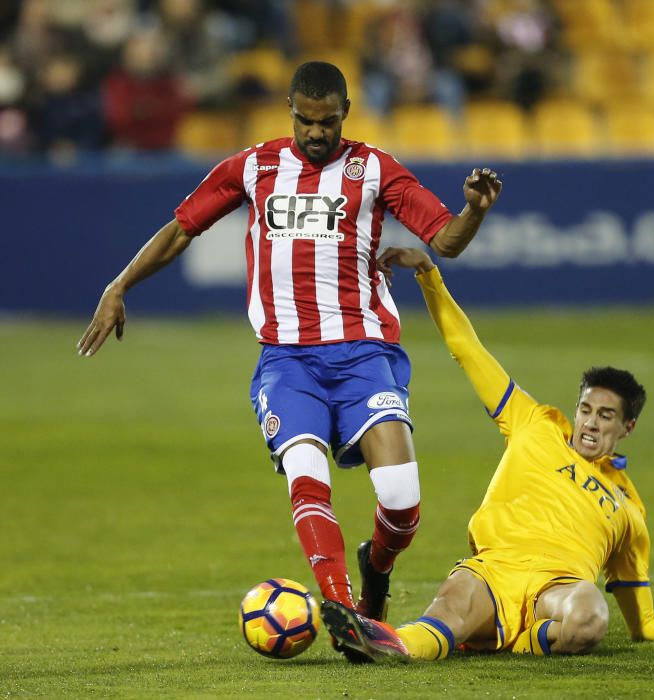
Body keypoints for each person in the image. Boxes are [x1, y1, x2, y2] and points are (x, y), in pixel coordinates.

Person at [76, 62, 502, 633]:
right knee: (306, 472)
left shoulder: (373, 168)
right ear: (290, 110)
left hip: (364, 353)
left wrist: (474, 209)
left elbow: (445, 240)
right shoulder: (253, 166)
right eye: (305, 121)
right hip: (287, 359)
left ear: (345, 114)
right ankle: (348, 614)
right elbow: (181, 228)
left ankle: (375, 569)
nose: (316, 133)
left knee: (401, 502)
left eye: (327, 122)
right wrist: (119, 284)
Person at [321, 247, 654, 662]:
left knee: (590, 618)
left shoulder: (629, 512)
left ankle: (500, 638)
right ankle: (382, 642)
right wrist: (429, 274)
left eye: (605, 415)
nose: (591, 423)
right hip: (493, 569)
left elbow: (645, 623)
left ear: (627, 427)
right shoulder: (534, 423)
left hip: (555, 591)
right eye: (586, 409)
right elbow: (466, 348)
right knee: (444, 615)